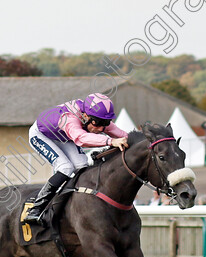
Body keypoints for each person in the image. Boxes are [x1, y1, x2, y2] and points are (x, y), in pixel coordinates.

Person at [24, 93, 128, 225]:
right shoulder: (69, 119)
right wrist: (111, 141)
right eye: (98, 123)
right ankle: (36, 209)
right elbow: (81, 139)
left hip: (63, 135)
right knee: (65, 167)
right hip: (41, 135)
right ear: (85, 116)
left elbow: (123, 135)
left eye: (105, 123)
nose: (102, 128)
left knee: (82, 164)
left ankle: (74, 201)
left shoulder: (95, 116)